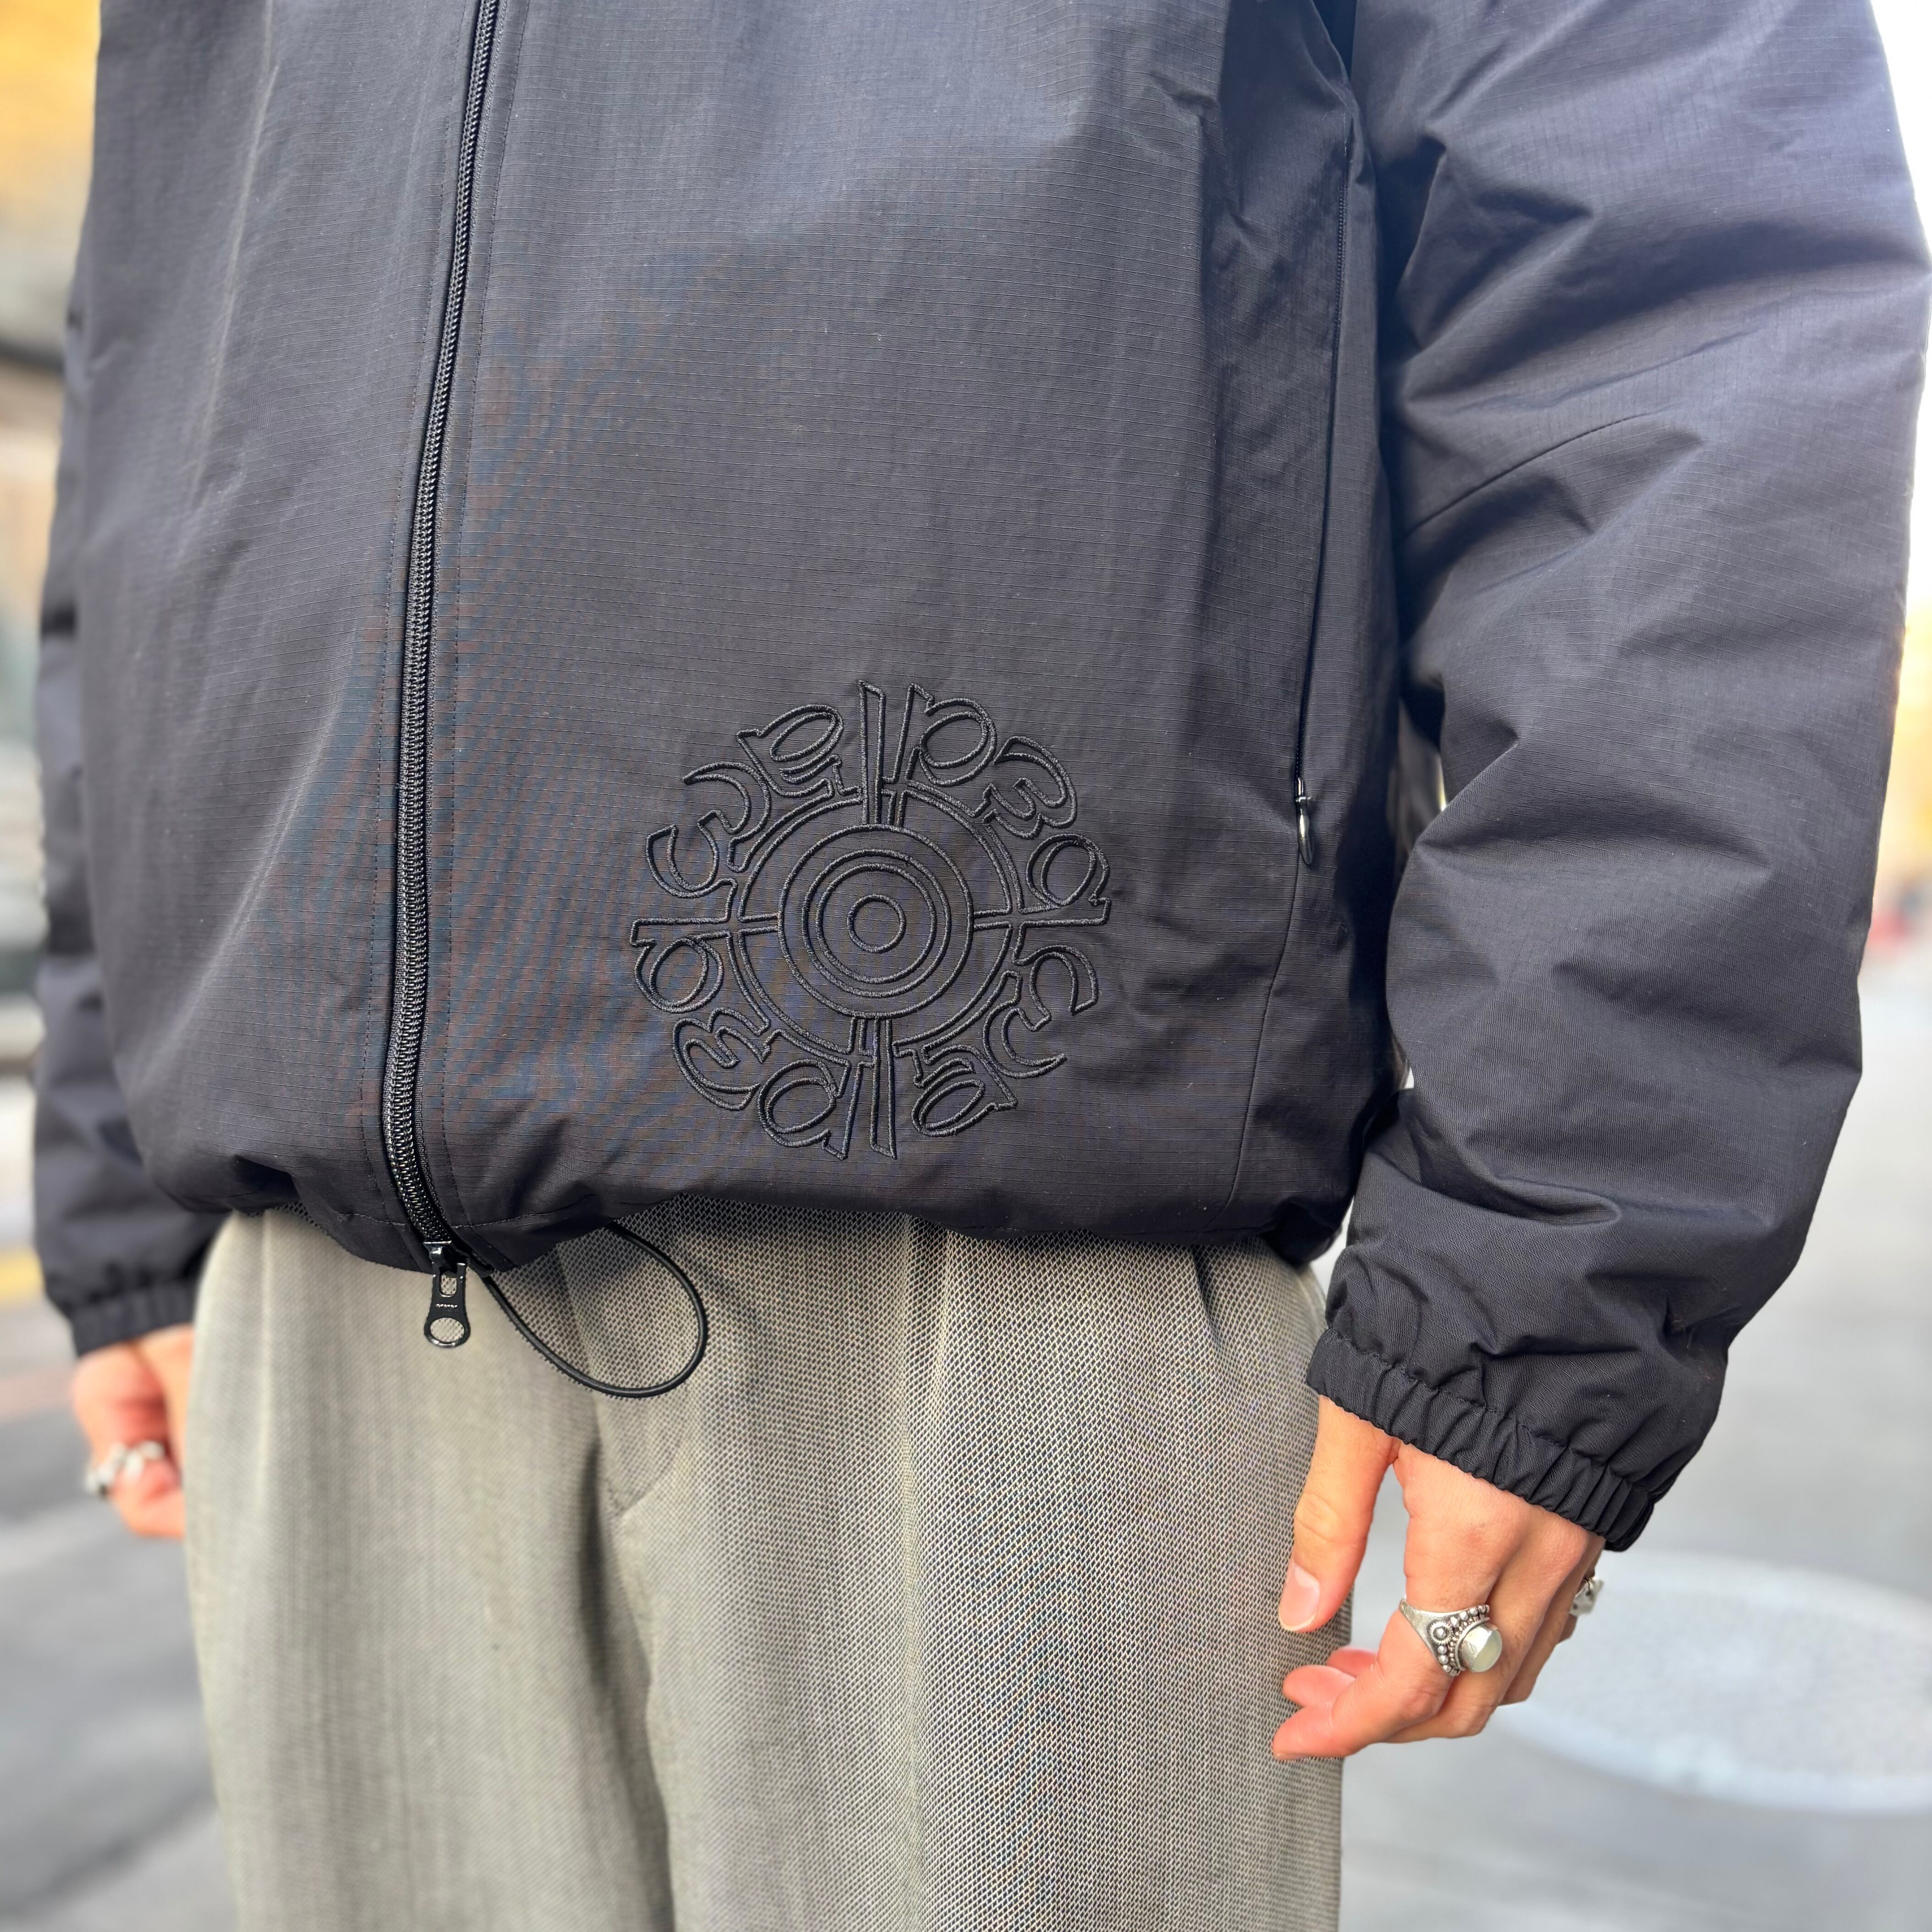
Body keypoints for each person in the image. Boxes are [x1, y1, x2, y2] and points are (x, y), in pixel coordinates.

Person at [40, 0, 1925, 1925]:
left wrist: (1552, 1265)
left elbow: (1669, 291)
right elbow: (154, 347)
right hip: (316, 1279)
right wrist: (119, 1159)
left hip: (1020, 1265)